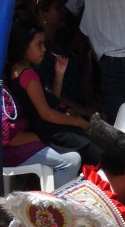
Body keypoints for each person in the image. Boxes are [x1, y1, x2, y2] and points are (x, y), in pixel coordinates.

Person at [0, 22, 82, 189]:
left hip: (12, 143)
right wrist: (39, 137)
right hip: (3, 151)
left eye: (2, 47)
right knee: (71, 160)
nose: (1, 53)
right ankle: (47, 206)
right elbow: (6, 137)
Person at [5, 21, 98, 165]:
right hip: (53, 133)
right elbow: (47, 113)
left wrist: (59, 74)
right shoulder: (28, 75)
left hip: (47, 129)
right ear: (23, 47)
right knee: (100, 154)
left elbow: (52, 100)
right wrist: (80, 123)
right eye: (39, 44)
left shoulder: (17, 70)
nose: (44, 49)